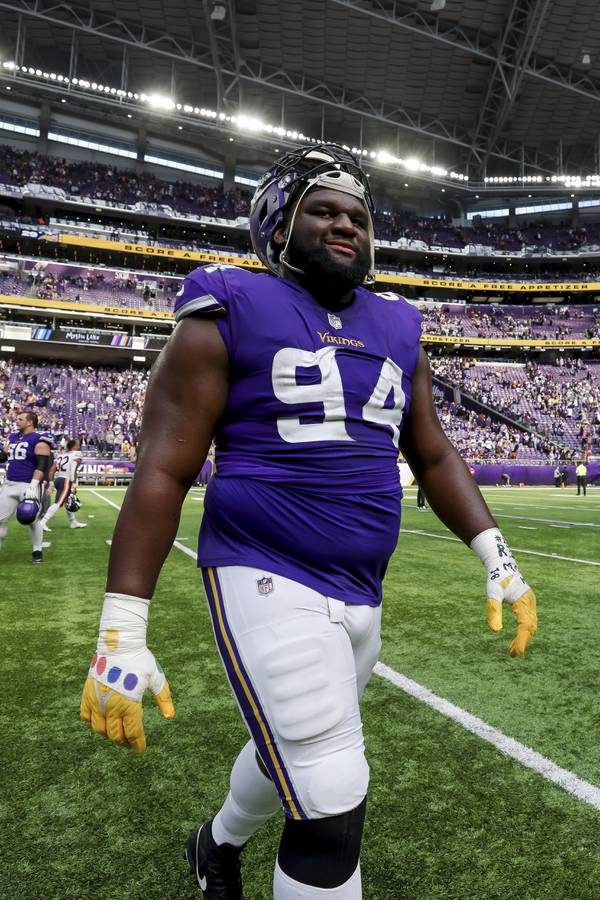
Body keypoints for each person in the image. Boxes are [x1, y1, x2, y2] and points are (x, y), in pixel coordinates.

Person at [80, 145, 538, 900]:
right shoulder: (229, 305)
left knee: (284, 750)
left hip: (362, 587)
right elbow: (163, 469)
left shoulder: (397, 325)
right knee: (330, 796)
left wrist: (499, 558)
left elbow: (433, 451)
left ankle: (215, 845)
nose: (345, 225)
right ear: (277, 224)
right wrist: (122, 629)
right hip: (266, 567)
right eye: (323, 210)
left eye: (357, 215)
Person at [0, 411, 52, 564]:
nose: (16, 421)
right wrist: (3, 450)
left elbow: (43, 464)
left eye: (20, 419)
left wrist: (34, 484)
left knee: (31, 518)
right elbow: (2, 458)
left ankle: (37, 552)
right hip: (9, 484)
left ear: (30, 422)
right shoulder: (14, 437)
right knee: (0, 519)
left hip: (28, 484)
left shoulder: (39, 439)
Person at [40, 438, 87, 530]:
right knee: (59, 503)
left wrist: (52, 483)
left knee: (67, 501)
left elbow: (52, 470)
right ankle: (42, 522)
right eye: (78, 444)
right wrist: (73, 483)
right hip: (66, 481)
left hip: (59, 479)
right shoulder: (77, 454)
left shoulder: (61, 455)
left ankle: (73, 522)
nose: (79, 445)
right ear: (74, 446)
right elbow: (73, 468)